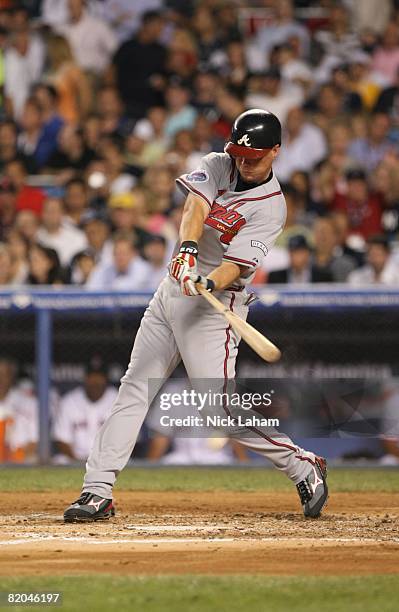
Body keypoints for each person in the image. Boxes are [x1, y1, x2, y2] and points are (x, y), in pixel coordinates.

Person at [64, 109, 328, 523]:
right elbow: (194, 207)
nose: (243, 161)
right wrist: (187, 250)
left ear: (275, 152)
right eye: (240, 152)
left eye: (254, 156)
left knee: (216, 410)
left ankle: (302, 464)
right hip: (172, 292)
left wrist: (208, 280)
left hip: (215, 309)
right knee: (134, 386)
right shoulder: (218, 163)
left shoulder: (271, 208)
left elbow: (238, 268)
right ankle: (96, 490)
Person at [53, 362, 117, 463]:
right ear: (85, 379)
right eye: (91, 377)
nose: (95, 382)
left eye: (99, 378)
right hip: (74, 459)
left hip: (110, 461)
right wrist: (76, 461)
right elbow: (61, 439)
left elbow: (129, 440)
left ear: (106, 380)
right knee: (59, 460)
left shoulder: (119, 401)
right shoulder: (69, 401)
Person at [268, 234, 333, 284]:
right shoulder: (275, 277)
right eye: (292, 252)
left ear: (307, 253)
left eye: (299, 252)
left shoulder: (323, 277)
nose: (296, 256)